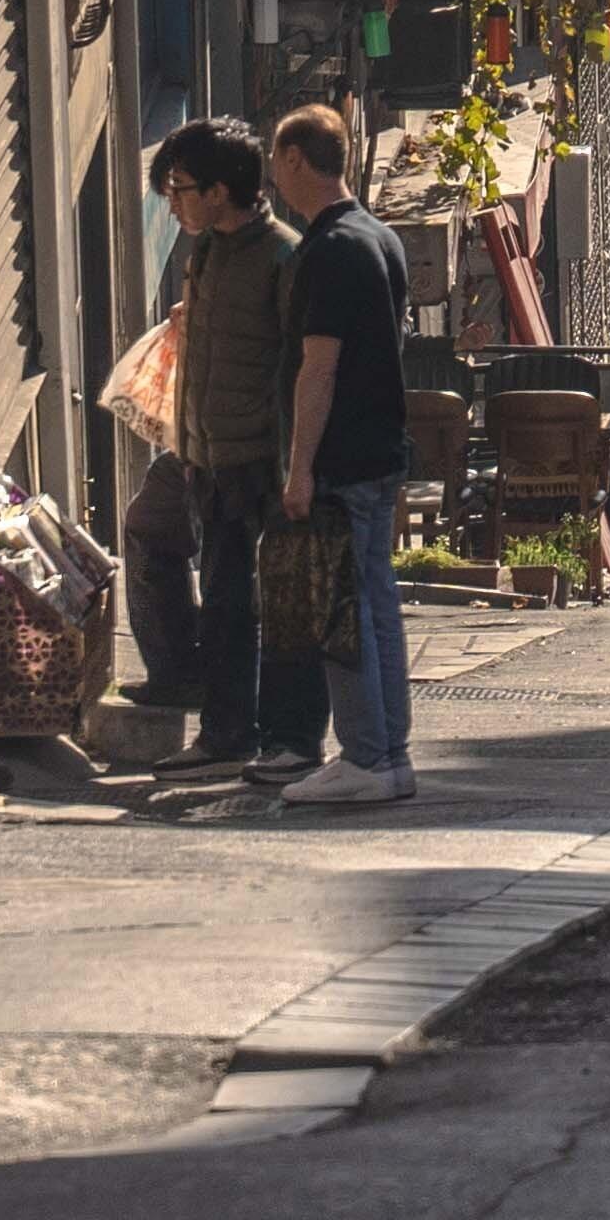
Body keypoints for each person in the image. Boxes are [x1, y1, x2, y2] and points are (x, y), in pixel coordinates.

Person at [267, 102, 424, 809]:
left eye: (277, 161)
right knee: (376, 601)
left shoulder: (329, 250)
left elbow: (317, 368)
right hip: (382, 446)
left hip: (343, 455)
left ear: (296, 160)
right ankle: (388, 754)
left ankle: (365, 754)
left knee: (343, 610)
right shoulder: (380, 238)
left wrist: (299, 467)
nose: (273, 176)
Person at [135, 125, 297, 768]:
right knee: (225, 598)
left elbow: (298, 368)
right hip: (204, 455)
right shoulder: (206, 253)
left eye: (179, 189)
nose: (171, 204)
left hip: (258, 461)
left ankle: (254, 733)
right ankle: (224, 727)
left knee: (248, 602)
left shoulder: (283, 257)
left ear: (221, 191)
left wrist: (291, 470)